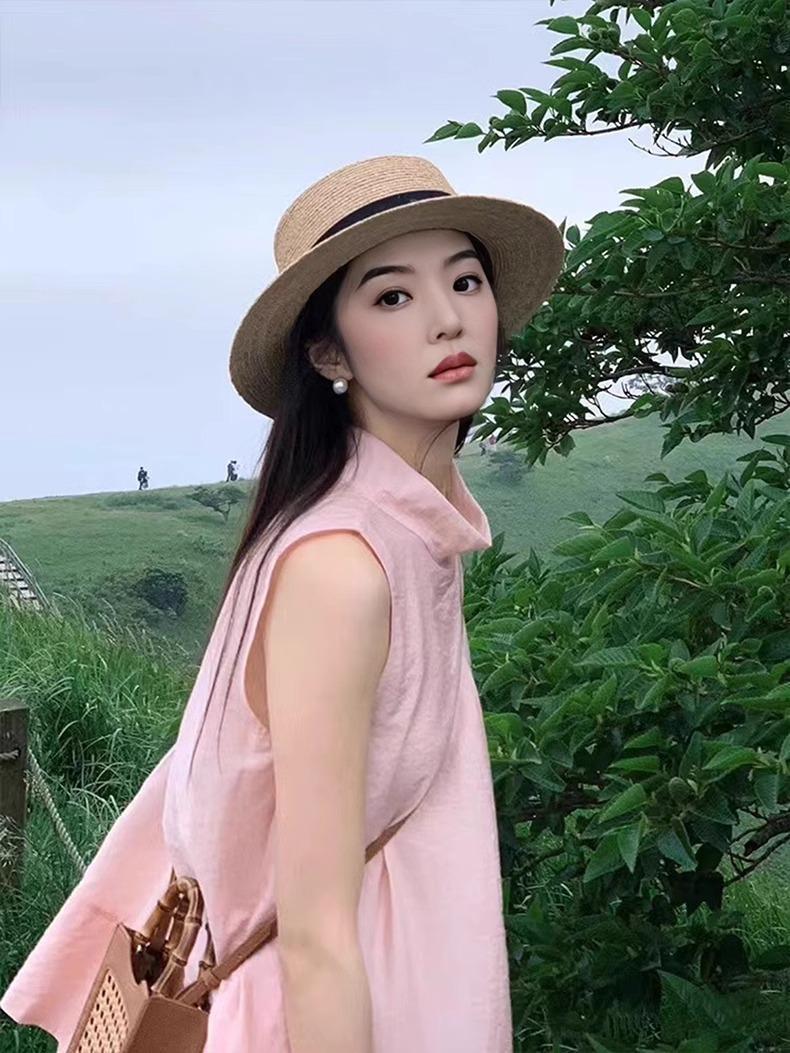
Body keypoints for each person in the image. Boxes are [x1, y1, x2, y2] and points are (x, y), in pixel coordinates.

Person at [0, 155, 564, 1052]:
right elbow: (315, 938)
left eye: (465, 280)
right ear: (328, 352)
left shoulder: (407, 535)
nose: (448, 317)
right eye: (392, 296)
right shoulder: (342, 568)